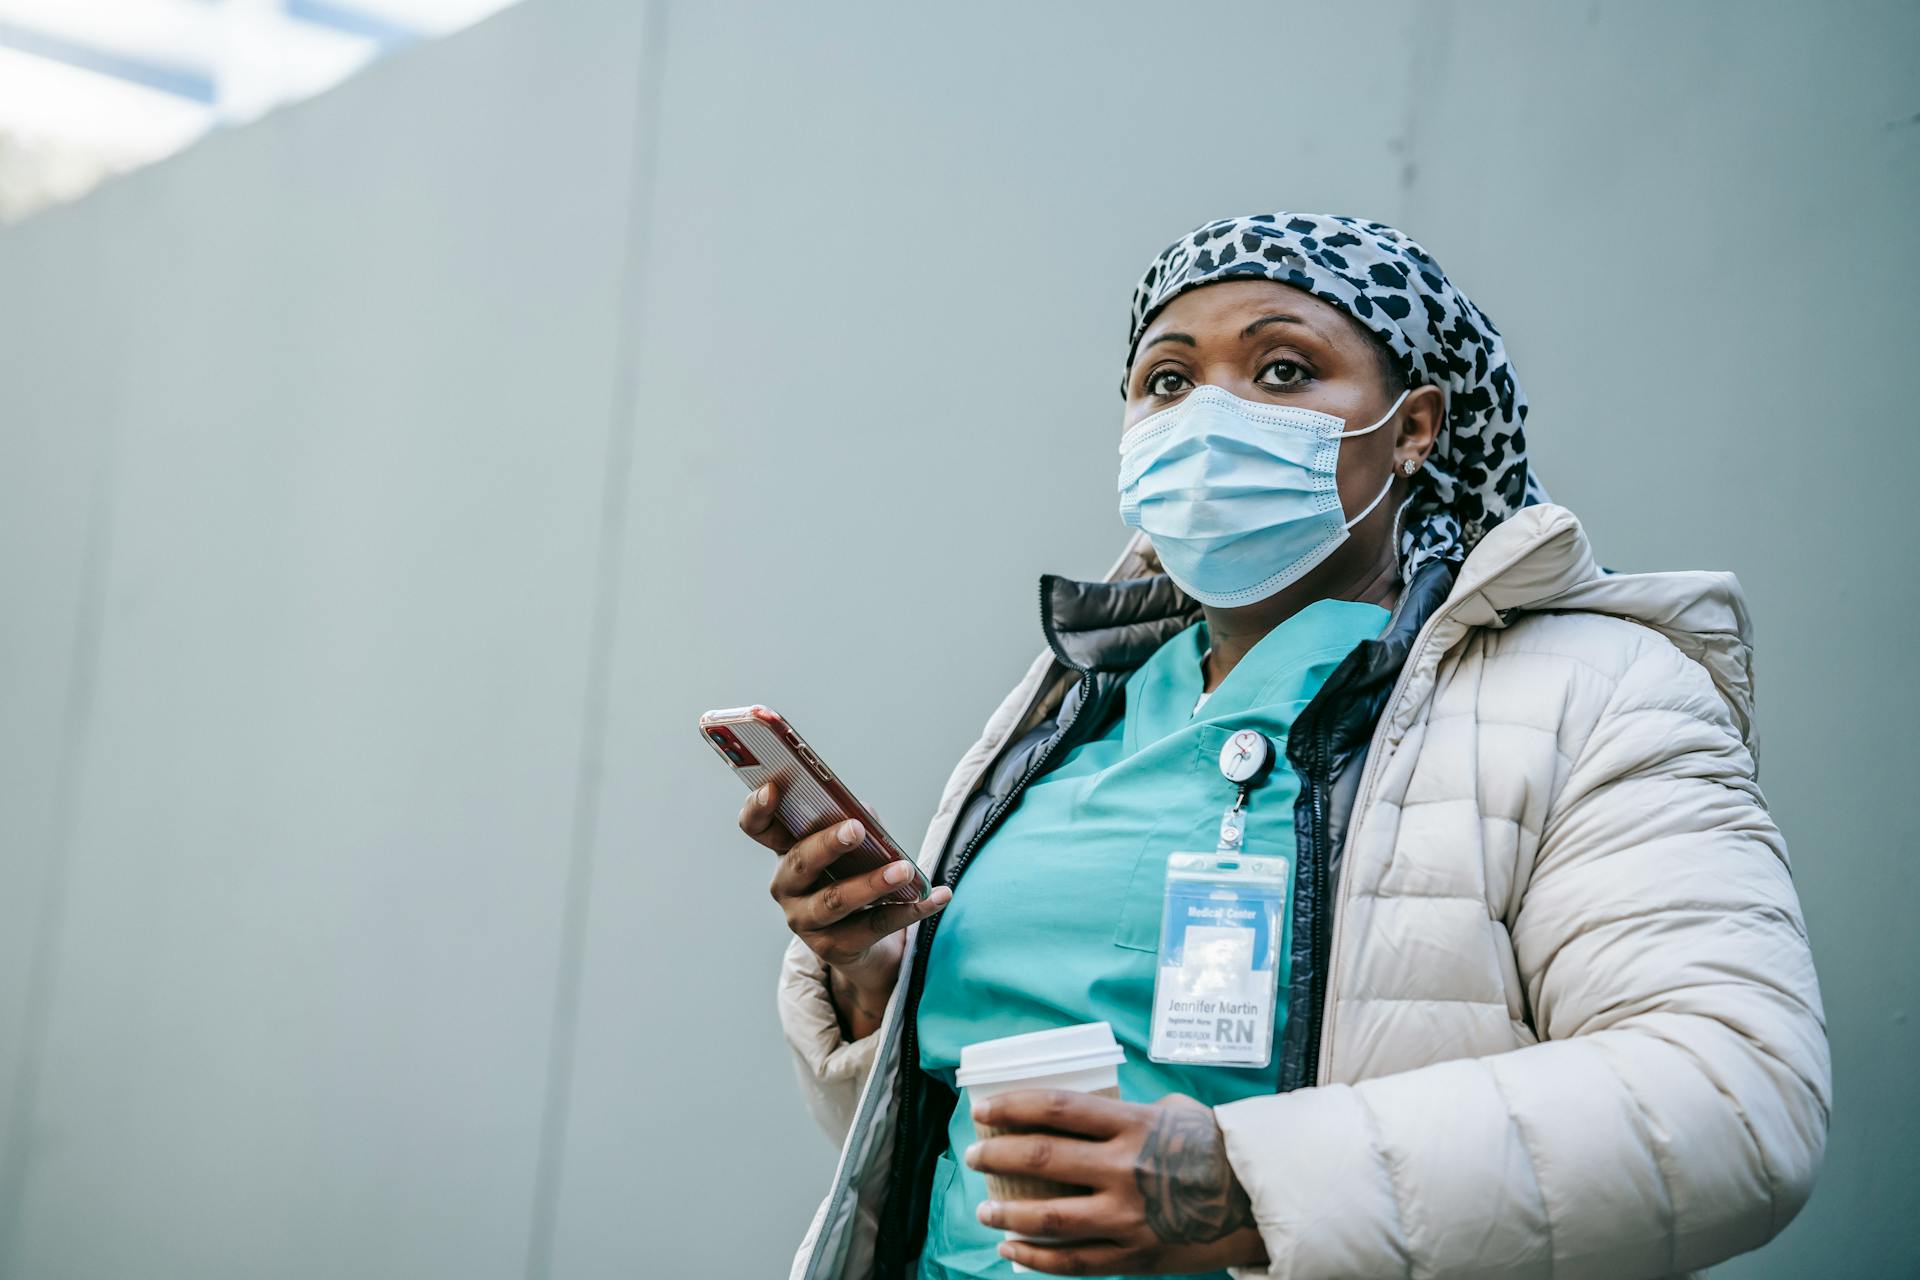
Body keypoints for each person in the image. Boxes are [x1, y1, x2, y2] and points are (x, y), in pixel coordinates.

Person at [743, 212, 1829, 1280]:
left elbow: (1734, 1099)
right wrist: (877, 975)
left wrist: (1247, 1186)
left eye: (1280, 371)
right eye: (1168, 381)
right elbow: (953, 1114)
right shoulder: (1070, 704)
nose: (1210, 414)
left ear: (1415, 426)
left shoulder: (1592, 695)